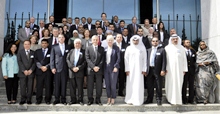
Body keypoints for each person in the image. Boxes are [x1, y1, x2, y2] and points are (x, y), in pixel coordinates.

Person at [165, 34, 188, 105]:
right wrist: (164, 69)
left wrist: (184, 69)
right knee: (170, 84)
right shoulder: (167, 48)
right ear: (171, 40)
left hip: (179, 70)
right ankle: (170, 99)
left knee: (178, 84)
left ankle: (177, 100)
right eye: (173, 39)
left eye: (176, 39)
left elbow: (184, 59)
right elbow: (165, 60)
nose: (175, 40)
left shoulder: (181, 48)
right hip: (169, 70)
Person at [124, 35, 147, 106]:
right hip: (130, 70)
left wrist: (144, 69)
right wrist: (127, 69)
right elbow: (126, 59)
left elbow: (145, 59)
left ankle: (138, 100)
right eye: (134, 40)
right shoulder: (128, 48)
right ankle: (130, 99)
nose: (135, 41)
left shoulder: (142, 48)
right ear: (132, 40)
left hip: (139, 70)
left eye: (137, 40)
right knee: (130, 84)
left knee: (138, 84)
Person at [145, 37, 166, 106]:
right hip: (149, 70)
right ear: (151, 42)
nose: (155, 42)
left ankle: (159, 99)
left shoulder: (162, 50)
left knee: (158, 85)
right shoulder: (148, 50)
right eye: (153, 41)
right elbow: (146, 61)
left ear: (158, 42)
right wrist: (145, 70)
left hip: (158, 70)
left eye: (156, 41)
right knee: (149, 86)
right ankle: (149, 99)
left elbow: (164, 61)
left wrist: (163, 70)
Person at [50, 34, 70, 105]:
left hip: (65, 68)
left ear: (64, 38)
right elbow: (52, 58)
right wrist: (52, 67)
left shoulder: (68, 46)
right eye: (59, 37)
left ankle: (63, 99)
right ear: (58, 39)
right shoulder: (54, 47)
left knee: (64, 84)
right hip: (57, 68)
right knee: (57, 84)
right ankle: (57, 99)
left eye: (62, 37)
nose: (61, 39)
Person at [85, 35, 104, 106]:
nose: (95, 41)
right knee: (90, 86)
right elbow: (87, 58)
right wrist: (93, 67)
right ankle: (90, 99)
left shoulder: (101, 49)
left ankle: (98, 99)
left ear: (98, 40)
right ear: (91, 40)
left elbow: (102, 59)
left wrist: (98, 67)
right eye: (94, 40)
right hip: (90, 70)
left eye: (96, 40)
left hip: (99, 70)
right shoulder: (88, 48)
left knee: (99, 86)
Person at [66, 39, 86, 106]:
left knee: (80, 87)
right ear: (74, 44)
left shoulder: (83, 52)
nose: (77, 44)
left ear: (80, 44)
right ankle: (73, 100)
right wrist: (72, 67)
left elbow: (85, 62)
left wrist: (78, 68)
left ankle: (80, 100)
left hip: (79, 71)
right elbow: (67, 60)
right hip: (72, 72)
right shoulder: (71, 51)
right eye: (76, 43)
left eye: (78, 43)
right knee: (72, 87)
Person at [17, 40, 36, 105]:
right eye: (25, 44)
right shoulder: (20, 52)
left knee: (30, 86)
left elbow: (34, 63)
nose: (27, 45)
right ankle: (23, 99)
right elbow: (19, 62)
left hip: (31, 72)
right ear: (23, 45)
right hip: (23, 73)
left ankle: (29, 99)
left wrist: (31, 70)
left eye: (28, 44)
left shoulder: (33, 52)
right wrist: (24, 70)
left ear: (30, 45)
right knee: (23, 86)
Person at [104, 35, 120, 105]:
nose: (109, 41)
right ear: (106, 41)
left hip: (113, 68)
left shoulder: (116, 48)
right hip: (106, 68)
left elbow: (119, 58)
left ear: (113, 41)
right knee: (107, 84)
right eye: (108, 40)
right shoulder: (105, 48)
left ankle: (113, 98)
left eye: (111, 40)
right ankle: (108, 98)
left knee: (113, 85)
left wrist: (116, 66)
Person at [34, 39, 52, 105]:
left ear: (47, 44)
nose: (44, 44)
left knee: (48, 86)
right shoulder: (37, 51)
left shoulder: (51, 51)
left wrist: (46, 67)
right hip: (39, 71)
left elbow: (52, 60)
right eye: (43, 43)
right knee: (39, 86)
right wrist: (41, 67)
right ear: (41, 44)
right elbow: (35, 60)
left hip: (48, 71)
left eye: (45, 43)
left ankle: (48, 99)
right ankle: (38, 99)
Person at [182, 40, 197, 104]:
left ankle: (191, 99)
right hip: (184, 71)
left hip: (191, 71)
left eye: (189, 42)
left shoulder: (193, 51)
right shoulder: (182, 51)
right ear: (184, 44)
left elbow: (195, 60)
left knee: (191, 85)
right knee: (184, 85)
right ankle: (184, 99)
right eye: (187, 42)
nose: (188, 43)